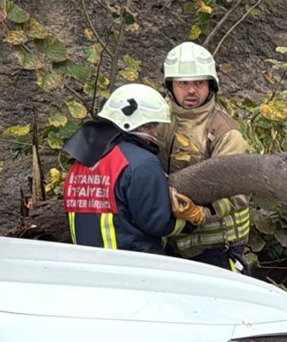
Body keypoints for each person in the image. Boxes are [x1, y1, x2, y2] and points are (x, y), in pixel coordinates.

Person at [62, 83, 205, 253]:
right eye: (151, 125)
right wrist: (190, 220)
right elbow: (158, 223)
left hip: (87, 266)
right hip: (134, 267)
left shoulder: (81, 163)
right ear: (133, 124)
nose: (155, 133)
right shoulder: (142, 164)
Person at [156, 41, 253, 273]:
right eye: (183, 83)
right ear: (170, 85)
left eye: (199, 83)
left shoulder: (225, 131)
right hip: (171, 243)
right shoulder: (158, 121)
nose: (191, 90)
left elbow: (238, 193)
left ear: (211, 85)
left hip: (218, 246)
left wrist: (201, 214)